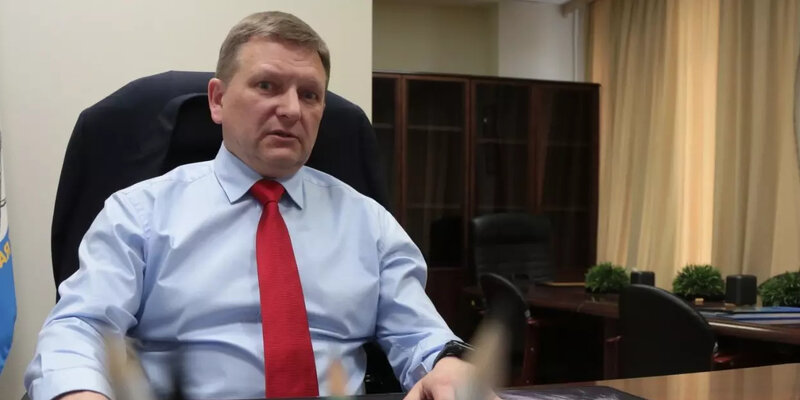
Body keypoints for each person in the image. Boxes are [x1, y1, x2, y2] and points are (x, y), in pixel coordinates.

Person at [24, 11, 479, 400]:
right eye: (267, 85)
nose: (292, 110)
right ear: (218, 100)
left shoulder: (368, 223)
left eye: (309, 94)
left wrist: (447, 364)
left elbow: (422, 334)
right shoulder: (140, 214)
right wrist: (80, 391)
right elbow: (81, 326)